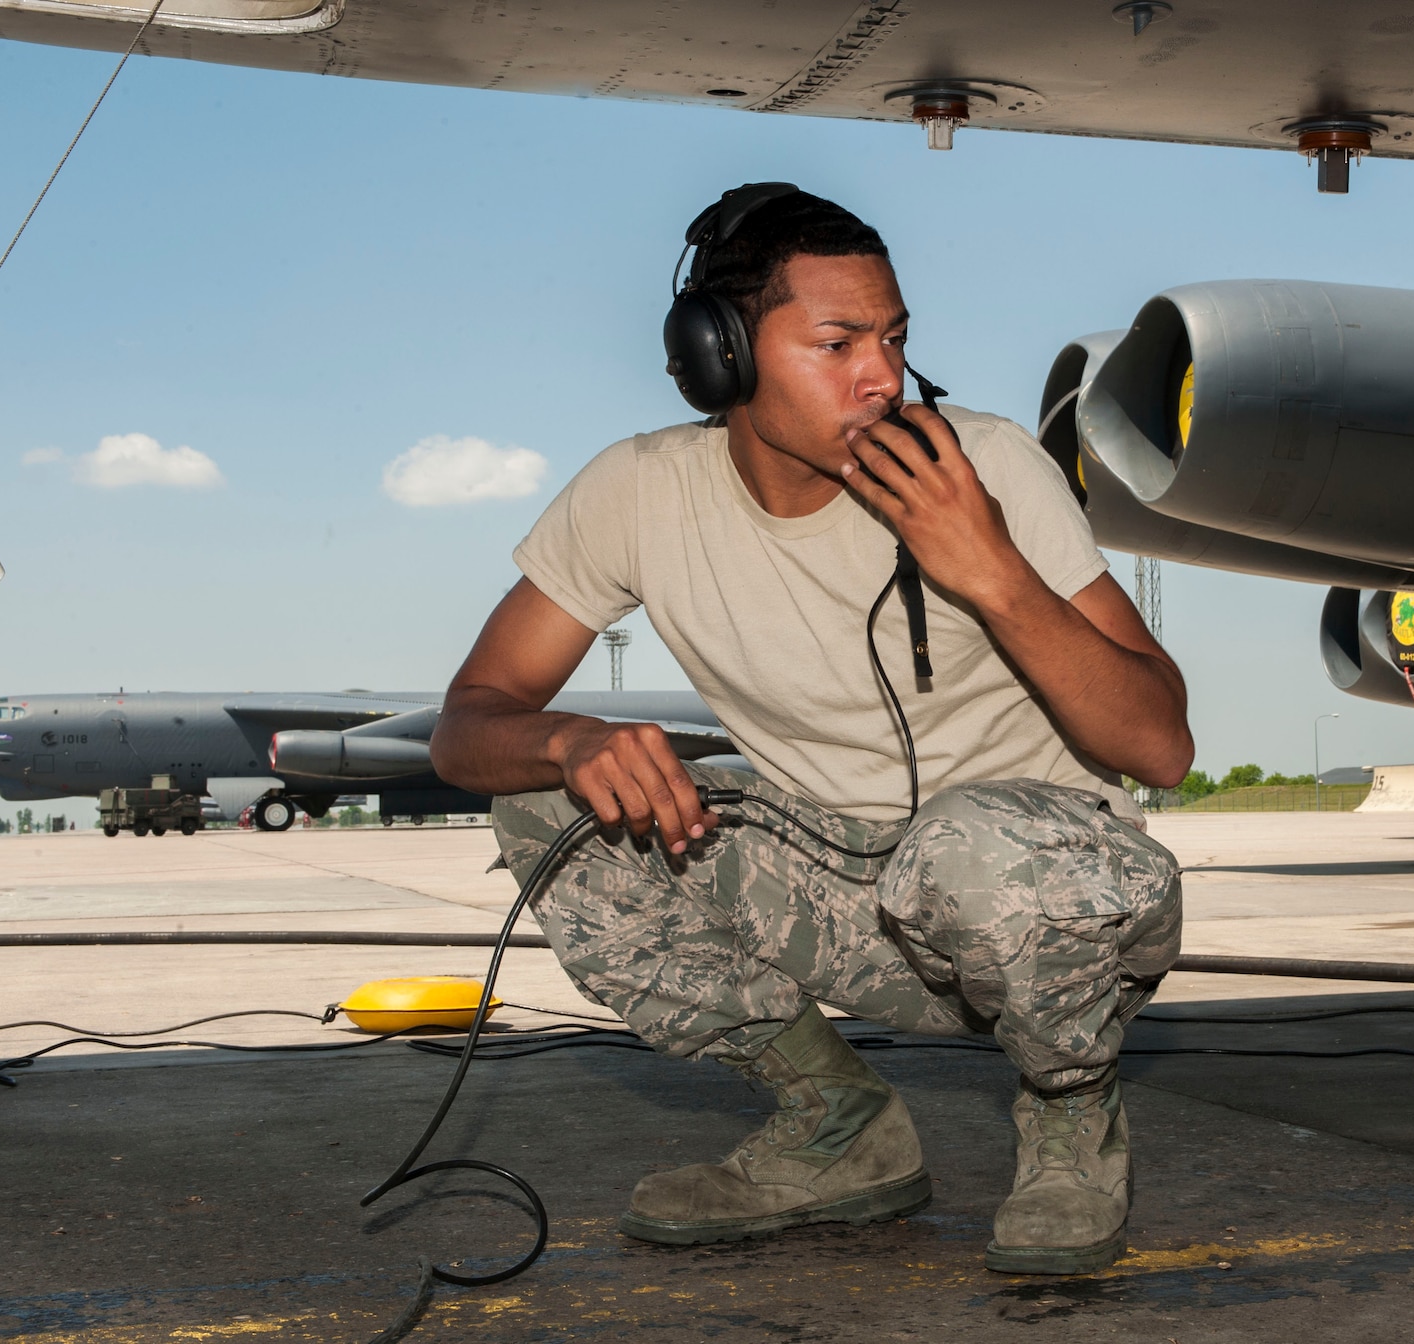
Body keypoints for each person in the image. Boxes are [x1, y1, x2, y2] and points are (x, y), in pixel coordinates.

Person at [430, 184, 1192, 1275]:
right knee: (550, 804)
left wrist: (989, 571)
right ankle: (836, 1123)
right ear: (721, 357)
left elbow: (1159, 745)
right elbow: (468, 725)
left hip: (1043, 902)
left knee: (965, 844)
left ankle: (1072, 1115)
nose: (880, 374)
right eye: (836, 342)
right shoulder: (637, 493)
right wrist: (568, 744)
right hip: (844, 893)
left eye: (892, 338)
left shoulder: (979, 468)